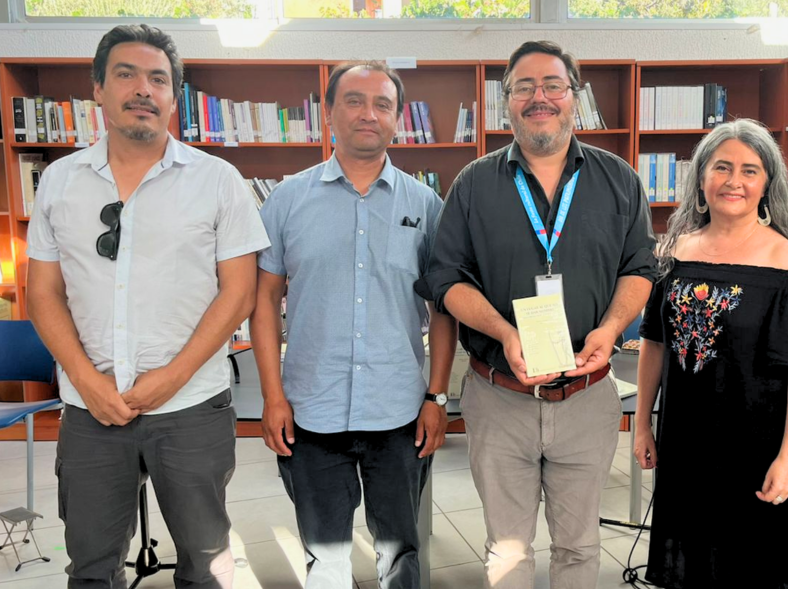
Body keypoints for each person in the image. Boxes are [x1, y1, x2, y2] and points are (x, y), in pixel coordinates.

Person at [25, 24, 270, 589]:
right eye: (126, 75)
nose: (143, 89)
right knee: (89, 568)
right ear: (99, 91)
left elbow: (239, 292)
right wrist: (85, 380)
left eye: (158, 79)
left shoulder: (217, 180)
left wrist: (171, 376)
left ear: (173, 95)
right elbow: (42, 293)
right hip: (90, 411)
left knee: (205, 567)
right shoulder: (59, 183)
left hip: (191, 407)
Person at [415, 40, 657, 588]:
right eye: (523, 87)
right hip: (499, 396)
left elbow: (641, 267)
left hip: (587, 396)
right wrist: (504, 331)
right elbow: (444, 280)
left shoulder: (619, 180)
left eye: (552, 85)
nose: (538, 97)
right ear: (506, 102)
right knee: (507, 550)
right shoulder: (473, 185)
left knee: (579, 546)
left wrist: (612, 328)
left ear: (575, 97)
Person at [251, 61, 456, 589]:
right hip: (311, 412)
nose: (369, 114)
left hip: (399, 411)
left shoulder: (425, 205)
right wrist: (272, 397)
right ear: (328, 113)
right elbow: (265, 299)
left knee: (401, 553)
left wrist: (437, 398)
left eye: (382, 104)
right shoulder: (287, 200)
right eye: (355, 101)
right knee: (325, 557)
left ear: (397, 118)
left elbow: (444, 307)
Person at [633, 119, 788, 588]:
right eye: (721, 167)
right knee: (692, 558)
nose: (734, 181)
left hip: (757, 445)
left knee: (752, 563)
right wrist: (642, 423)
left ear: (767, 184)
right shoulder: (674, 254)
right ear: (701, 178)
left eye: (749, 170)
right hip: (685, 438)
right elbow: (654, 342)